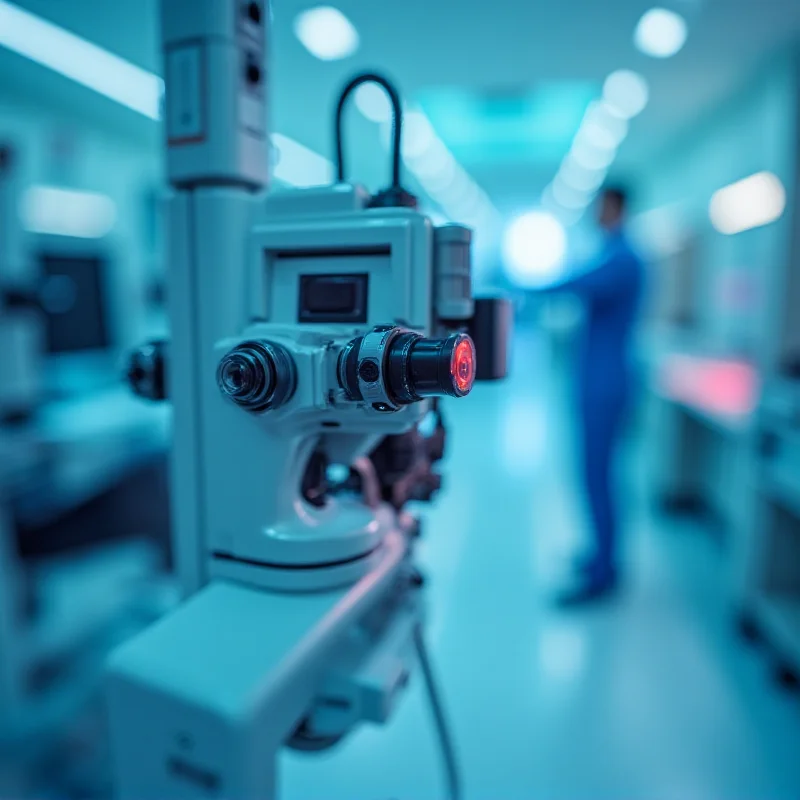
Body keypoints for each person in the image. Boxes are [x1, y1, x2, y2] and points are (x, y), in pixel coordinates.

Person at [541, 186, 645, 606]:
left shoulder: (622, 258)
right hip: (596, 377)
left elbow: (573, 283)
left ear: (617, 206)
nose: (595, 213)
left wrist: (519, 282)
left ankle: (604, 572)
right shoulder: (612, 253)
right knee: (594, 475)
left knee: (599, 476)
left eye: (602, 205)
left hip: (605, 383)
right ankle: (599, 555)